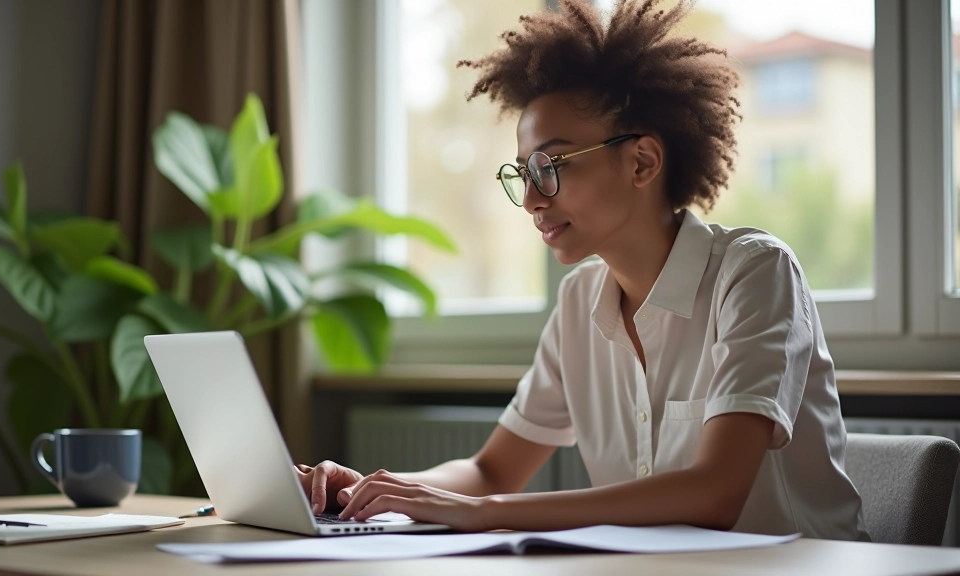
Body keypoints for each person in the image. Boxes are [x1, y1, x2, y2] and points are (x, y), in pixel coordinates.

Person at [294, 0, 868, 540]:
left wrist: (484, 514)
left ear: (641, 161)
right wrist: (374, 492)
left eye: (551, 165)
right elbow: (491, 473)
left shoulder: (755, 274)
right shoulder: (579, 303)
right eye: (523, 173)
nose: (531, 200)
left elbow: (715, 493)